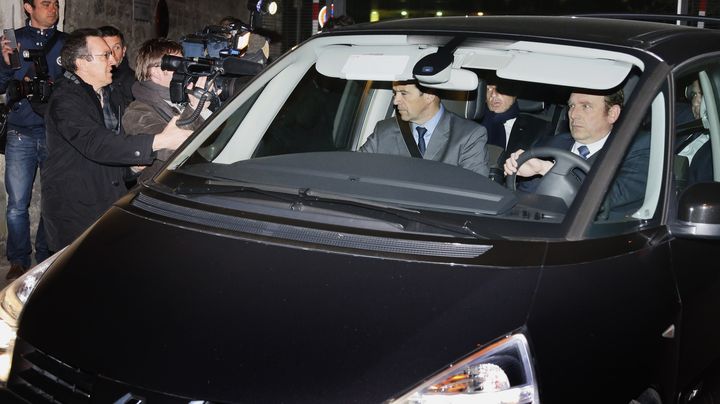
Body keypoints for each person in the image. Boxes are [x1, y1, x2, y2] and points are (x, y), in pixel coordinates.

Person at [41, 28, 193, 253]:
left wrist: (130, 168)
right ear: (82, 62)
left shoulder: (110, 95)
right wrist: (158, 141)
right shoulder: (65, 100)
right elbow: (96, 145)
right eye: (105, 55)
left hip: (106, 204)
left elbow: (112, 153)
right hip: (75, 211)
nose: (113, 60)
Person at [503, 88, 650, 220]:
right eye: (571, 106)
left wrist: (551, 171)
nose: (573, 114)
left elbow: (613, 197)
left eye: (586, 106)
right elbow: (524, 198)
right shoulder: (550, 144)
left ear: (612, 113)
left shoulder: (637, 147)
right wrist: (517, 169)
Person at [0, 0, 65, 279]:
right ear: (28, 7)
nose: (53, 8)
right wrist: (4, 66)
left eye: (55, 3)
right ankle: (18, 260)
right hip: (20, 131)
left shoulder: (67, 42)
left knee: (53, 199)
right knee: (17, 203)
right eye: (45, 3)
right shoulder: (13, 41)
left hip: (55, 131)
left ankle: (45, 255)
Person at [122, 38, 210, 181]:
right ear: (156, 71)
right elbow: (171, 151)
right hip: (162, 190)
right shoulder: (137, 113)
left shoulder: (184, 98)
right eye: (178, 64)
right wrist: (194, 108)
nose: (185, 69)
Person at [359, 80, 490, 176]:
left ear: (429, 96)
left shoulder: (469, 136)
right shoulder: (383, 131)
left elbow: (474, 192)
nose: (395, 101)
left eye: (404, 93)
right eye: (395, 93)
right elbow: (356, 169)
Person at [480, 76, 552, 183]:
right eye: (488, 89)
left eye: (500, 89)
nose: (493, 94)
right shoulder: (472, 126)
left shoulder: (538, 128)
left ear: (514, 93)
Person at [99, 25, 135, 108]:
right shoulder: (92, 81)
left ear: (123, 51)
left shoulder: (135, 84)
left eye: (117, 48)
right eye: (107, 48)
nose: (112, 54)